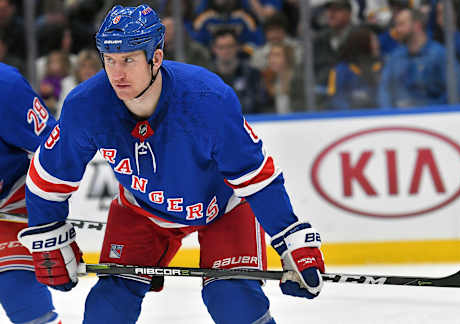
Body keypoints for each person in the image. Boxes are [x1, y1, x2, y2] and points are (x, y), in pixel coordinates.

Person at [18, 4, 325, 324]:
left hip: (223, 207)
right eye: (109, 60)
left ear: (156, 59)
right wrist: (47, 233)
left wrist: (290, 238)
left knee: (234, 302)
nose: (117, 73)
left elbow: (256, 179)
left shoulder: (208, 99)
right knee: (107, 308)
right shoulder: (87, 106)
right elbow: (47, 178)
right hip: (142, 209)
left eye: (128, 59)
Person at [0, 63, 60, 323]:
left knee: (25, 303)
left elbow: (54, 150)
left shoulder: (5, 87)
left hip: (8, 202)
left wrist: (51, 213)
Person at [378, 8, 460, 108]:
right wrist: (389, 113)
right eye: (396, 25)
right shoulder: (395, 57)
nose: (397, 30)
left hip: (434, 118)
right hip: (400, 118)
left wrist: (428, 110)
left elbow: (455, 92)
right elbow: (384, 90)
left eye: (401, 24)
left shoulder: (441, 55)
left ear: (417, 25)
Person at [211, 28, 269, 114]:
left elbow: (261, 102)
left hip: (251, 122)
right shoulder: (207, 77)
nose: (226, 51)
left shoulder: (252, 73)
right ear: (214, 49)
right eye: (221, 47)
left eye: (229, 46)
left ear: (237, 47)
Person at [326, 25, 383, 110]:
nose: (377, 44)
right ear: (362, 43)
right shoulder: (340, 71)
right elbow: (335, 99)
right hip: (350, 119)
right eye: (373, 40)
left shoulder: (382, 66)